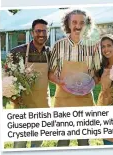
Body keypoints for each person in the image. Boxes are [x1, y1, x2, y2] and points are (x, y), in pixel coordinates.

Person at [48, 9, 101, 147]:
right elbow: (50, 73)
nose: (78, 26)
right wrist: (59, 82)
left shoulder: (93, 47)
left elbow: (97, 73)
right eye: (74, 22)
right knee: (63, 141)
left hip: (84, 98)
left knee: (84, 141)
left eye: (82, 23)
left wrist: (90, 84)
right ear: (68, 24)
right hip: (63, 97)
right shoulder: (58, 46)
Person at [10, 19, 50, 148]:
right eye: (38, 31)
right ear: (32, 33)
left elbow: (55, 74)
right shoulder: (17, 52)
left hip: (42, 104)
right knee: (19, 145)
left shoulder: (50, 53)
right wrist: (12, 96)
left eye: (44, 31)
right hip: (23, 105)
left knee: (37, 145)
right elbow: (7, 78)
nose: (41, 34)